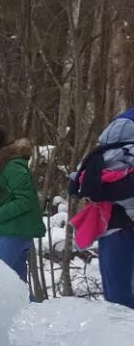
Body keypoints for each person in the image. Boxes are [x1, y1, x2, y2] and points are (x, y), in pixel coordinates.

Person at [69, 107, 134, 308]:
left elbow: (77, 184)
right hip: (119, 226)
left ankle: (120, 336)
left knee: (117, 298)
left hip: (112, 227)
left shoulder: (99, 154)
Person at [0, 124, 45, 284]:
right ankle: (32, 310)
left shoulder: (11, 166)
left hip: (13, 232)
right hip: (11, 231)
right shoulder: (0, 166)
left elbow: (26, 199)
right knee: (16, 289)